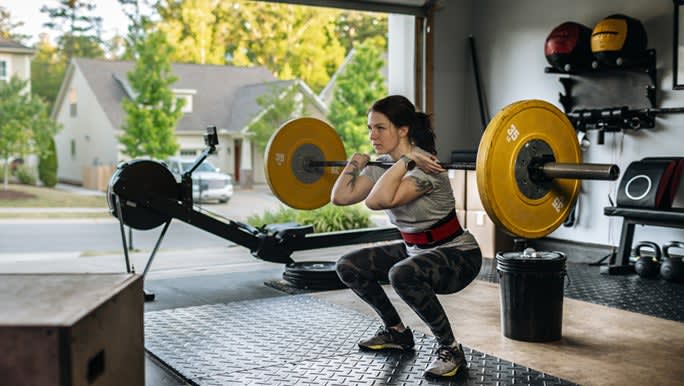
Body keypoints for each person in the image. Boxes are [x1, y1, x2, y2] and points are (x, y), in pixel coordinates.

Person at [331, 95, 482, 379]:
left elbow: (378, 201)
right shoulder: (383, 168)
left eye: (380, 128)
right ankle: (396, 332)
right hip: (416, 250)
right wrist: (354, 164)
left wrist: (407, 160)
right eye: (369, 128)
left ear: (403, 130)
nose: (372, 135)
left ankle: (450, 349)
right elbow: (340, 197)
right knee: (347, 266)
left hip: (458, 256)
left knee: (401, 274)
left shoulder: (426, 169)